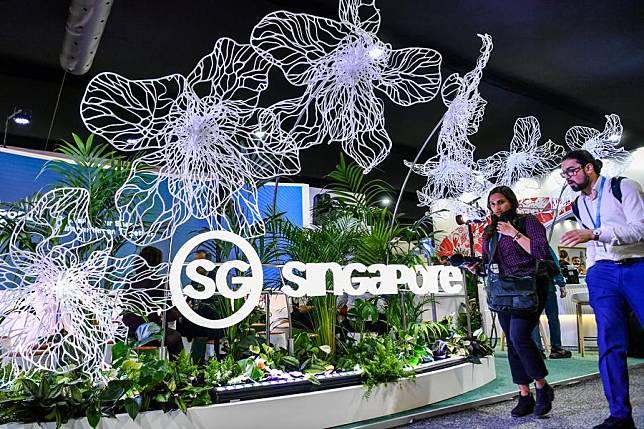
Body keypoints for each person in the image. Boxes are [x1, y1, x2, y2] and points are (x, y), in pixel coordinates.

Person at [560, 150, 644, 429]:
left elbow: (640, 229)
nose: (567, 177)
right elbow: (591, 240)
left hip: (638, 266)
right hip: (604, 273)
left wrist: (596, 234)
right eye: (564, 173)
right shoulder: (578, 204)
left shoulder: (623, 187)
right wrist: (594, 269)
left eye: (571, 171)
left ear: (589, 168)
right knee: (609, 344)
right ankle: (620, 417)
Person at [469, 186, 555, 418]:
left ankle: (542, 387)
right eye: (493, 204)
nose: (497, 208)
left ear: (511, 202)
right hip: (504, 289)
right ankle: (524, 394)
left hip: (529, 286)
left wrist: (512, 233)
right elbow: (489, 263)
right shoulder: (490, 231)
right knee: (512, 341)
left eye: (501, 202)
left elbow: (540, 251)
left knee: (519, 336)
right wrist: (477, 267)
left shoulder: (528, 222)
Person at [122, 246, 183, 357]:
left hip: (129, 331)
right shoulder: (158, 283)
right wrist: (182, 310)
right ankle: (179, 370)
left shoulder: (129, 283)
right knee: (176, 337)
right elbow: (169, 315)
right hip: (148, 333)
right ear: (157, 263)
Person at [531, 247, 572, 359]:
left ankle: (537, 351)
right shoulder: (542, 245)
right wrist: (561, 284)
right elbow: (555, 265)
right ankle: (556, 349)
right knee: (553, 318)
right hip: (547, 285)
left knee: (533, 320)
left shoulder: (517, 243)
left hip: (529, 288)